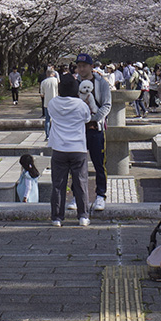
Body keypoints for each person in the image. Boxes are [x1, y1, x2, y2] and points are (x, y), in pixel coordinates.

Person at [47, 74, 92, 226]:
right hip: (78, 148)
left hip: (59, 148)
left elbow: (51, 115)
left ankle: (57, 217)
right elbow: (87, 119)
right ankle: (83, 216)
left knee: (58, 184)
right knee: (80, 182)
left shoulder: (53, 103)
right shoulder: (81, 105)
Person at [75, 54, 112, 212]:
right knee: (77, 164)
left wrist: (92, 118)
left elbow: (107, 105)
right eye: (79, 66)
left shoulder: (101, 83)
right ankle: (78, 196)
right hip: (78, 129)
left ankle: (100, 195)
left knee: (99, 163)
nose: (82, 68)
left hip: (96, 128)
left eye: (84, 65)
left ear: (91, 66)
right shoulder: (74, 83)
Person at [40, 67, 59, 140]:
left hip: (47, 103)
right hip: (55, 102)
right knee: (55, 120)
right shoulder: (56, 81)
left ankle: (47, 135)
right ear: (53, 73)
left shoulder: (43, 82)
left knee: (47, 120)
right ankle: (55, 134)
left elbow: (42, 94)